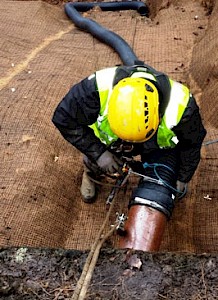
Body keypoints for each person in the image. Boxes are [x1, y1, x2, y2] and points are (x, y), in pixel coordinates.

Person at [52, 63, 206, 227]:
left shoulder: (182, 107)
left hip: (155, 145)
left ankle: (158, 171)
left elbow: (191, 145)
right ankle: (91, 172)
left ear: (158, 115)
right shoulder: (95, 90)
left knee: (169, 160)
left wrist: (183, 177)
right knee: (95, 151)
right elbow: (64, 118)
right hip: (109, 140)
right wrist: (99, 154)